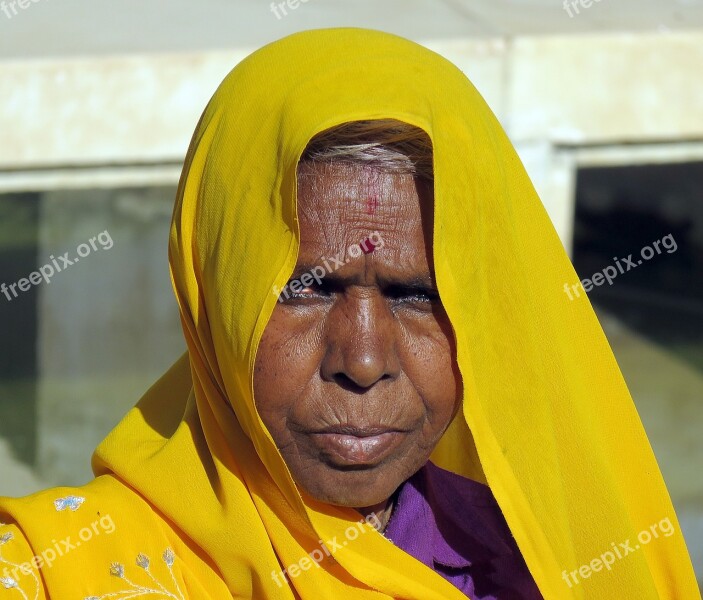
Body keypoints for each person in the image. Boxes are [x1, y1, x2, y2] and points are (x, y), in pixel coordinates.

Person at [0, 28, 699, 600]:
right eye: (305, 289)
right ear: (215, 296)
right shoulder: (56, 572)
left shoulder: (550, 562)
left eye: (414, 295)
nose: (362, 361)